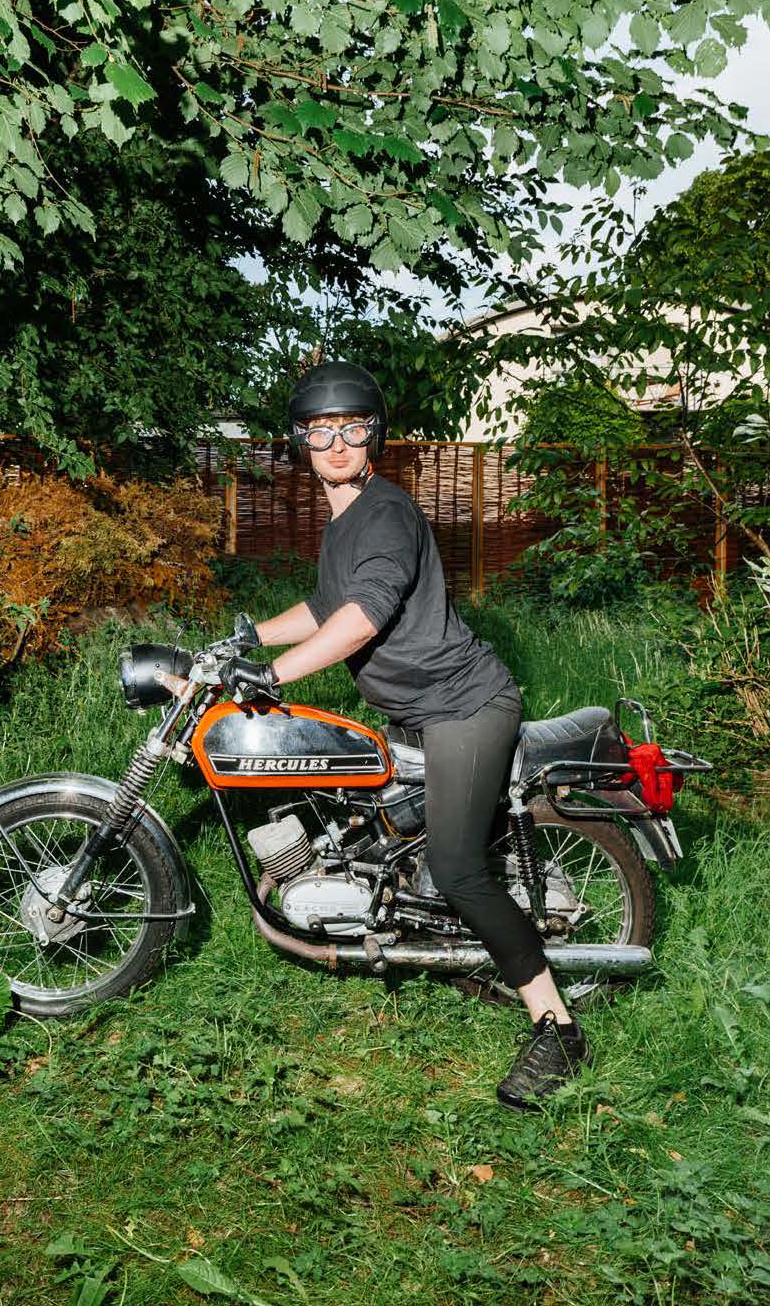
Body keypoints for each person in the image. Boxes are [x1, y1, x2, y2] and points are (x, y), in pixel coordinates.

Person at [218, 361, 588, 1110]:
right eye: (320, 431)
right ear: (299, 441)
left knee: (456, 868)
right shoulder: (344, 522)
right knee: (376, 824)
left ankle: (557, 1026)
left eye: (350, 429)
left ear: (373, 437)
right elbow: (325, 606)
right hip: (417, 709)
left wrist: (273, 676)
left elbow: (363, 615)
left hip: (463, 706)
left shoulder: (384, 514)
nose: (335, 444)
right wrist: (245, 639)